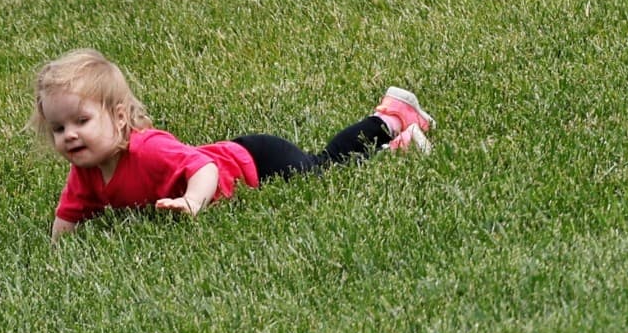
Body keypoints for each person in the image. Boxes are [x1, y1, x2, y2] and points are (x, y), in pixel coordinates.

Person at [31, 49, 434, 242]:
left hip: (256, 160)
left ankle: (390, 124)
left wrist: (191, 202)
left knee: (323, 167)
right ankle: (394, 126)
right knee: (325, 164)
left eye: (81, 122)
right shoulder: (83, 173)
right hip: (242, 156)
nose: (69, 135)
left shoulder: (148, 148)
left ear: (119, 118)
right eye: (58, 128)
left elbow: (203, 168)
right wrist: (56, 250)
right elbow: (68, 217)